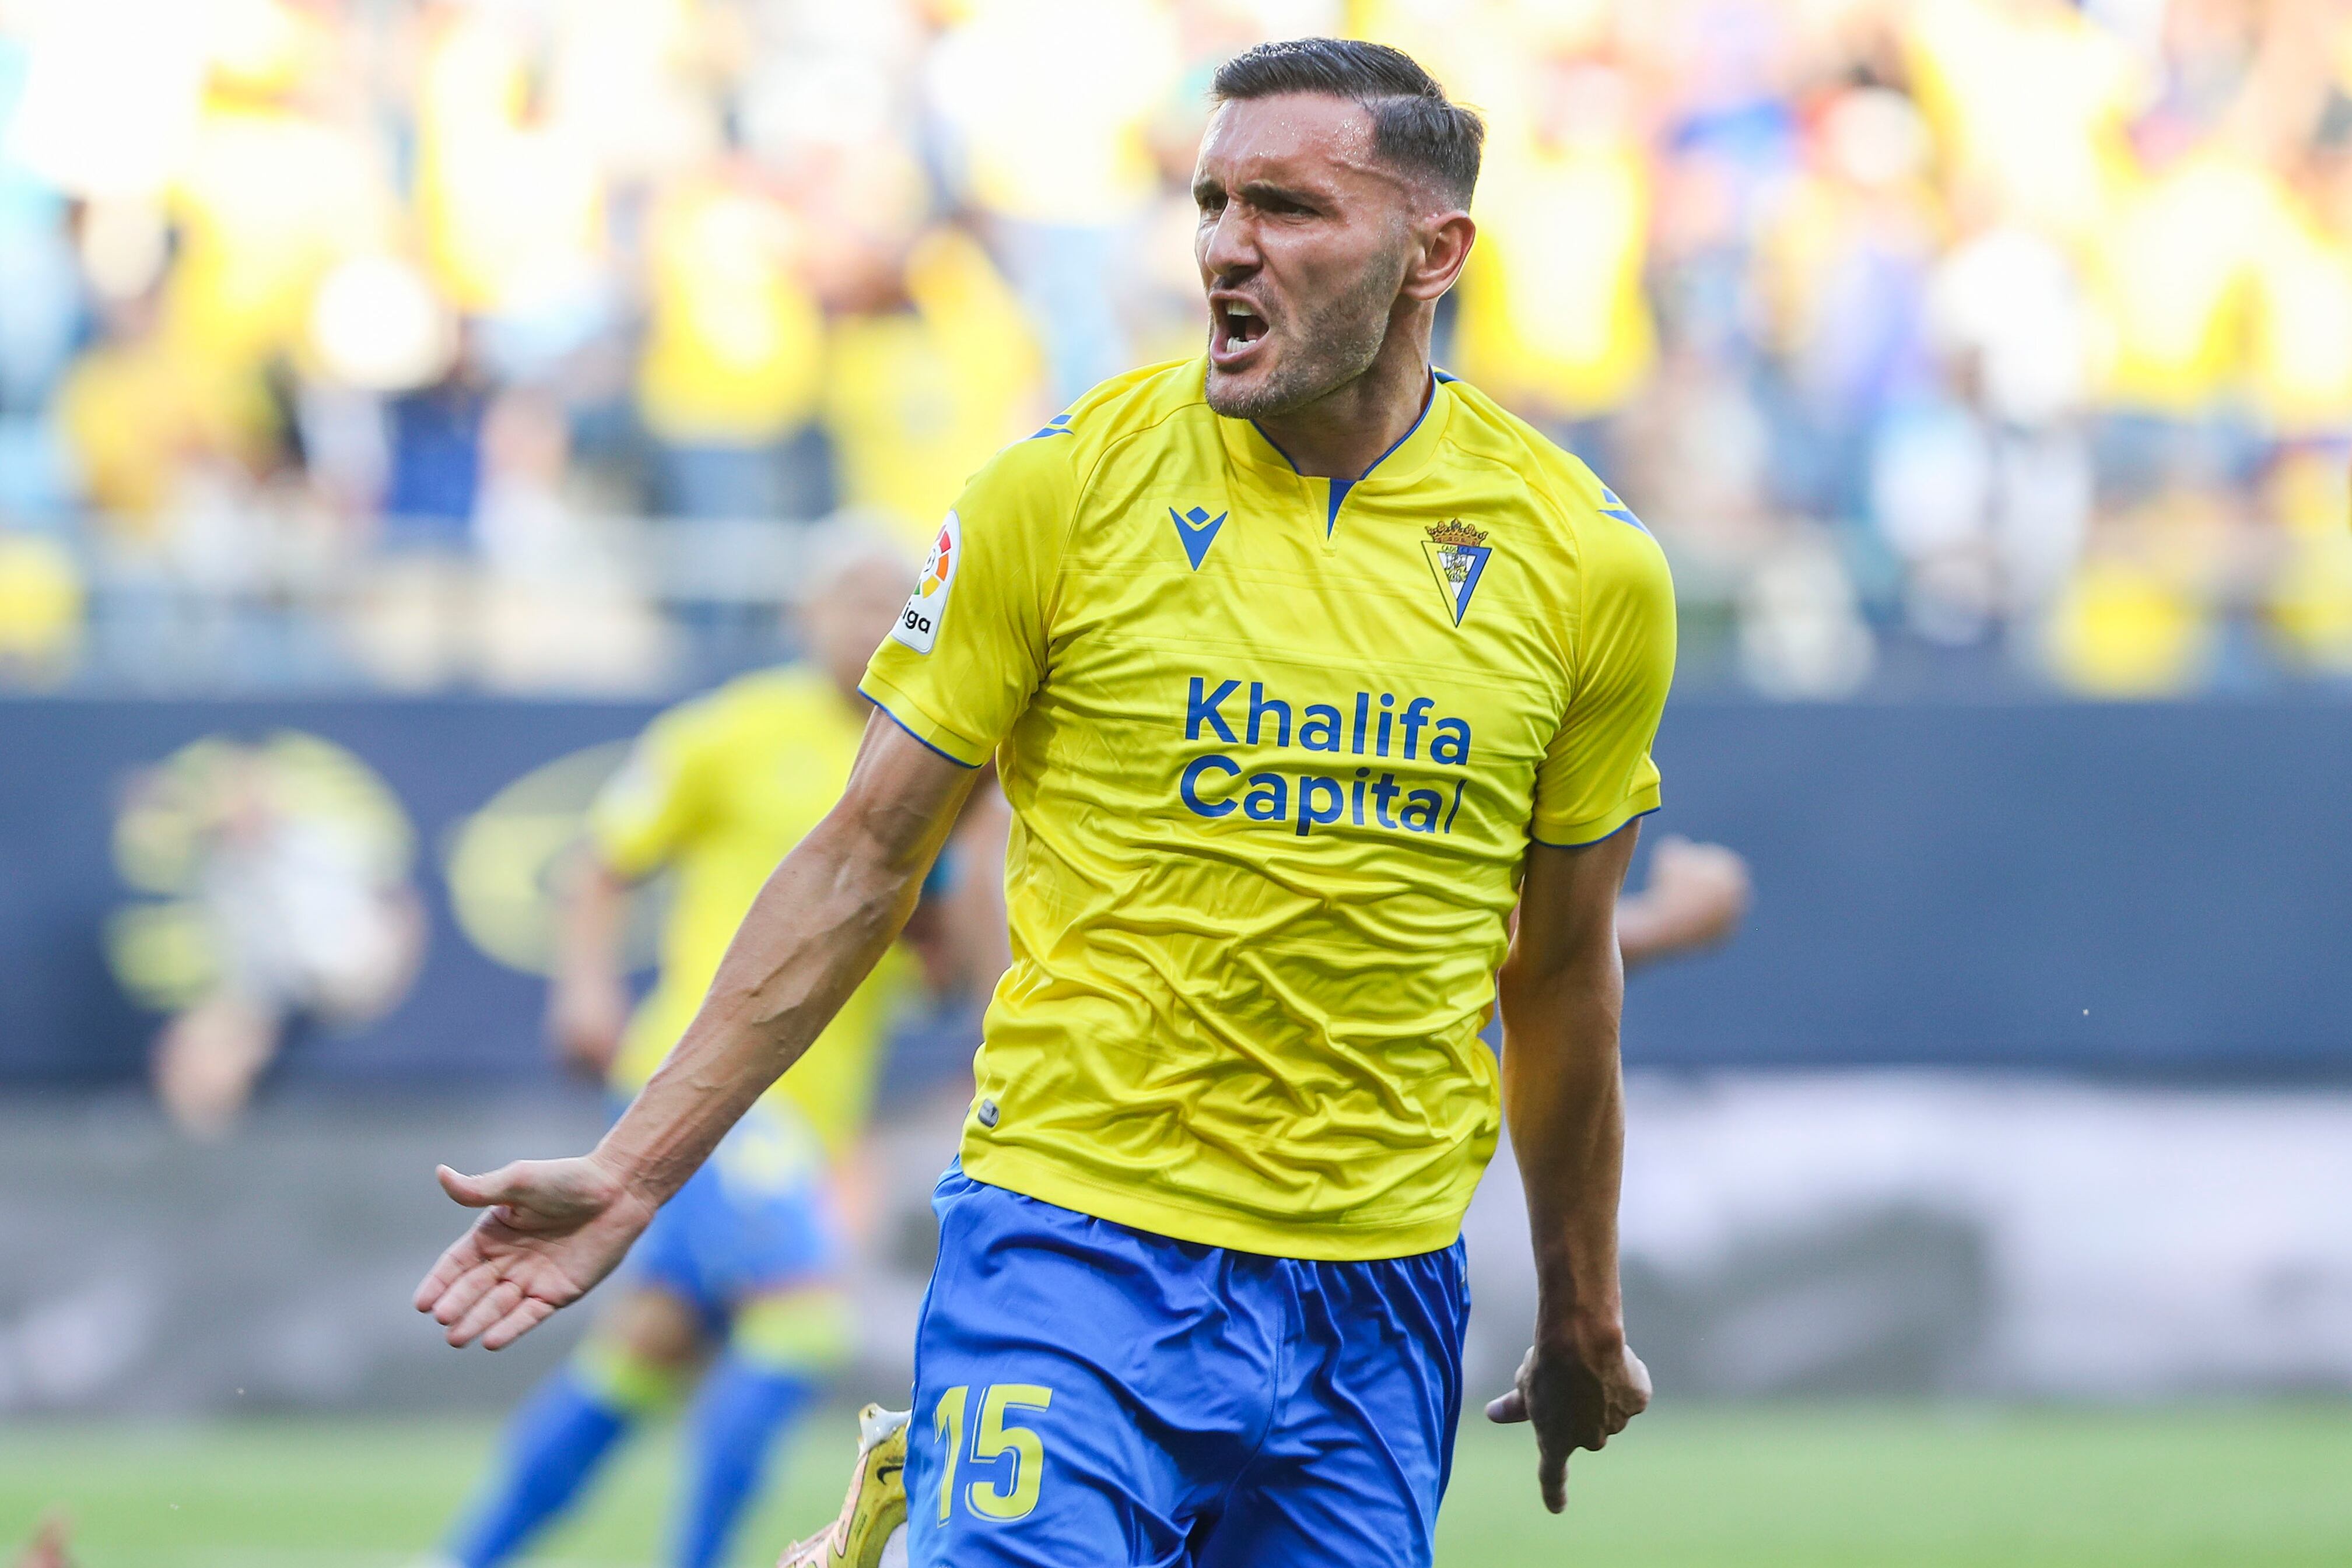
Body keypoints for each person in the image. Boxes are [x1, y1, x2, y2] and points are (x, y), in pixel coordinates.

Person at [418, 38, 1678, 1568]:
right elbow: (860, 859)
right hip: (1077, 1246)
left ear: (1435, 252)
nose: (1226, 243)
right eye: (1213, 202)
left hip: (1378, 1295)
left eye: (1286, 206)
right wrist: (630, 1171)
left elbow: (1559, 975)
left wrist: (1583, 1313)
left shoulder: (1587, 567)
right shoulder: (1058, 495)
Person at [417, 534, 993, 1568]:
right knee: (804, 1323)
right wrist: (584, 988)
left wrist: (947, 919)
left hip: (814, 1112)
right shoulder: (727, 731)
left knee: (648, 1356)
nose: (873, 621)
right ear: (802, 615)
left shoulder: (932, 754)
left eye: (894, 601)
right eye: (852, 598)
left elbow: (939, 968)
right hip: (703, 1089)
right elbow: (601, 862)